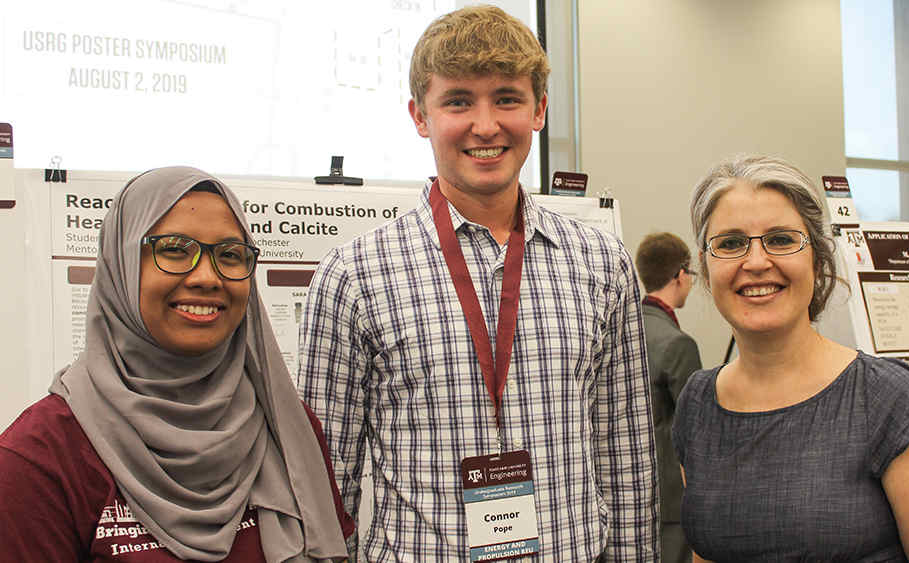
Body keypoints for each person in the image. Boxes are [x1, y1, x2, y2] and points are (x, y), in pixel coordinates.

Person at [297, 6, 658, 561]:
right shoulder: (354, 276)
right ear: (421, 116)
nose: (485, 125)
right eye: (458, 101)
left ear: (539, 110)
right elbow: (325, 486)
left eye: (507, 99)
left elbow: (626, 460)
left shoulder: (601, 263)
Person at [0, 166, 353, 561]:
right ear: (123, 264)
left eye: (231, 255)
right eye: (173, 249)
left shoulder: (288, 430)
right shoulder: (42, 457)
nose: (207, 277)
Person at [673, 155, 909, 562]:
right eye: (730, 243)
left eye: (781, 239)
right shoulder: (698, 405)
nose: (757, 262)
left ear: (817, 262)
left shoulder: (887, 399)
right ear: (706, 271)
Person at [635, 232, 701, 563]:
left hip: (633, 489)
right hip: (673, 499)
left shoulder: (626, 331)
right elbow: (696, 432)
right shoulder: (678, 344)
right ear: (680, 274)